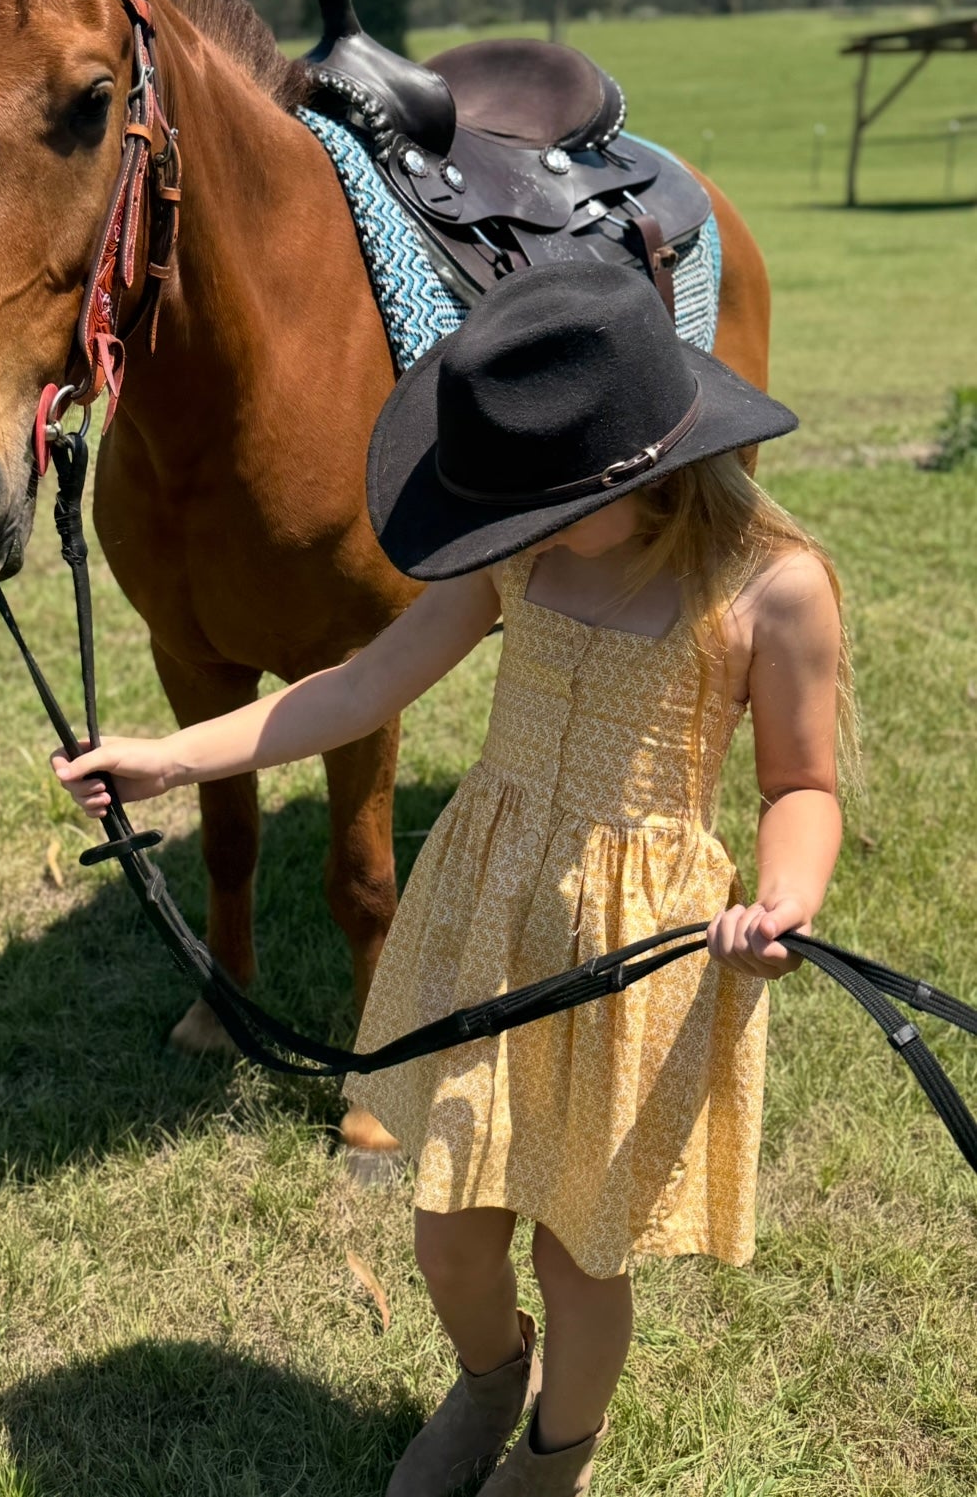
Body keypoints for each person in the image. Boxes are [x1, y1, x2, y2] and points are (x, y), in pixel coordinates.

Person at [52, 263, 856, 1496]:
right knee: (451, 1234)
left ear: (633, 470)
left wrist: (786, 898)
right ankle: (491, 1378)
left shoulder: (770, 588)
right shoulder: (518, 556)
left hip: (637, 951)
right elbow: (358, 688)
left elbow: (800, 785)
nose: (506, 518)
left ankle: (555, 1456)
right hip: (491, 911)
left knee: (586, 1254)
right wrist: (170, 757)